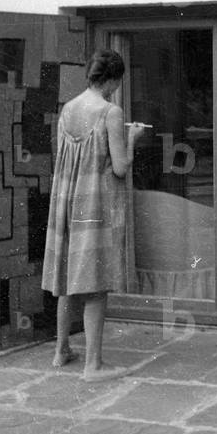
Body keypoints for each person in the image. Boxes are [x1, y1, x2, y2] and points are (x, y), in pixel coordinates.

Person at [41, 50, 147, 382]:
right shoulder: (111, 112)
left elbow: (63, 158)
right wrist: (132, 140)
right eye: (118, 82)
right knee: (96, 286)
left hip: (66, 203)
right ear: (113, 80)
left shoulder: (68, 109)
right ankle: (94, 365)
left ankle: (61, 352)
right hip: (94, 205)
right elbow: (119, 168)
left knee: (67, 281)